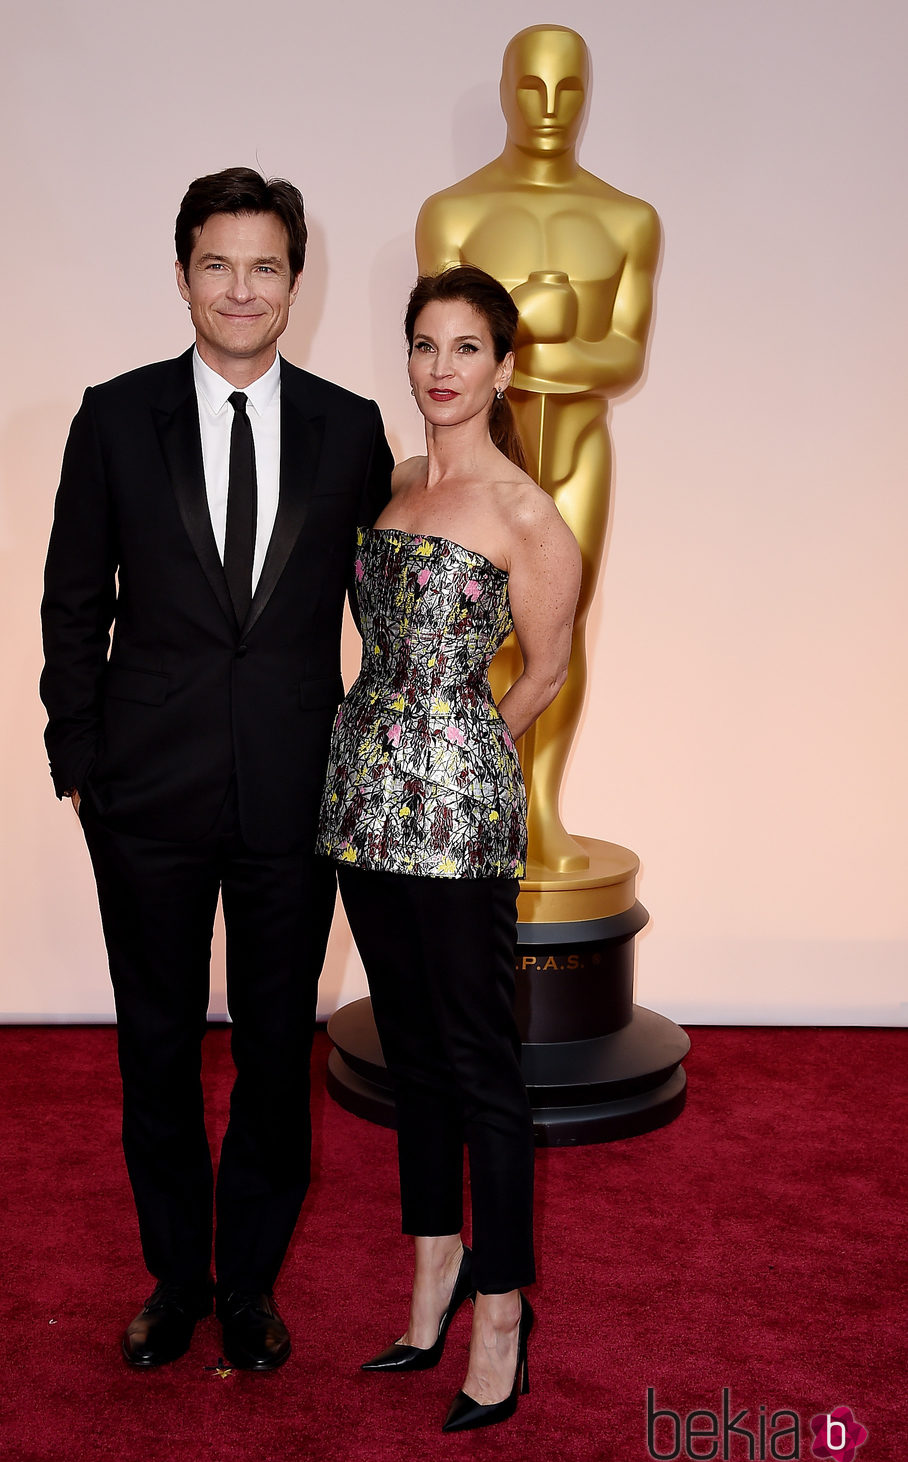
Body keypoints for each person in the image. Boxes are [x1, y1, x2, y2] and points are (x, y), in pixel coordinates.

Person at [40, 168, 392, 1371]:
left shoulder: (349, 429)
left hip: (295, 792)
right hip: (143, 792)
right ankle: (174, 1277)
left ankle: (247, 1280)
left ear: (296, 281)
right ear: (183, 272)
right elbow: (72, 603)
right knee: (153, 1043)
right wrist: (79, 758)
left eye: (265, 266)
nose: (241, 289)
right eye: (217, 264)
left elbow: (385, 611)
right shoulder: (113, 416)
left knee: (272, 1042)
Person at [317, 266, 581, 1431]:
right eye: (424, 344)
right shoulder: (394, 482)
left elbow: (547, 669)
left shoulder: (528, 514)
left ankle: (500, 1314)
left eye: (464, 347)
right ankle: (426, 1283)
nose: (439, 367)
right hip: (358, 806)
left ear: (503, 366)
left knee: (480, 1063)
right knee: (410, 1048)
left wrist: (465, 744)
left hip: (457, 815)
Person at [417, 24, 660, 880]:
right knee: (471, 632)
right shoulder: (455, 213)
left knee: (561, 631)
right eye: (532, 88)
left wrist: (530, 330)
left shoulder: (628, 218)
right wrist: (544, 318)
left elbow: (625, 352)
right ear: (504, 91)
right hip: (491, 457)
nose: (551, 108)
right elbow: (443, 339)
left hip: (579, 452)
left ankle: (540, 807)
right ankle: (487, 797)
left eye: (569, 90)